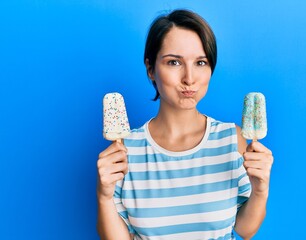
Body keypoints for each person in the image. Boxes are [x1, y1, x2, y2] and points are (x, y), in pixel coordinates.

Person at [97, 9, 274, 240]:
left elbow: (245, 229)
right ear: (150, 68)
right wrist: (103, 195)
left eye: (200, 62)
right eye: (174, 62)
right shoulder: (124, 151)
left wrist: (261, 190)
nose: (189, 78)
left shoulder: (234, 139)